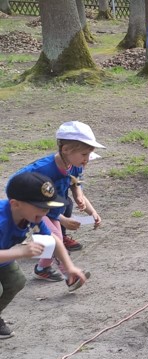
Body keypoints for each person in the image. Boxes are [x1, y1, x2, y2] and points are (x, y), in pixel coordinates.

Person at [10, 121, 104, 284]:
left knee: (53, 239)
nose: (87, 159)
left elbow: (75, 183)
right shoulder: (45, 170)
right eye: (84, 154)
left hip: (50, 207)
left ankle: (42, 268)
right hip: (33, 206)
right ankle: (70, 276)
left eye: (89, 154)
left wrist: (90, 209)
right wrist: (63, 220)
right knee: (55, 239)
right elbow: (19, 187)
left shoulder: (74, 165)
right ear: (66, 149)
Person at [0, 173, 88, 338]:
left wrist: (69, 267)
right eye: (40, 206)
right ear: (15, 204)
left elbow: (53, 240)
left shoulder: (31, 217)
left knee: (16, 281)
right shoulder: (2, 220)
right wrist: (20, 252)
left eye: (48, 206)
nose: (46, 211)